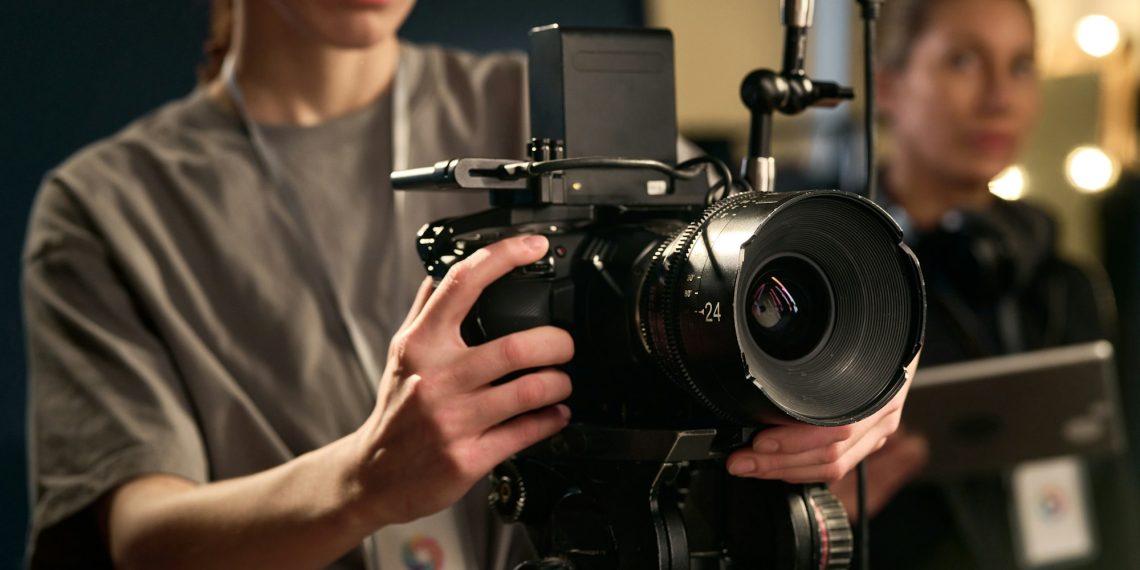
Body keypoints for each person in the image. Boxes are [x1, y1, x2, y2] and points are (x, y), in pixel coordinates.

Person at [23, 0, 914, 567]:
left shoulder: (549, 113)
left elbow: (740, 292)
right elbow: (138, 542)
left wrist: (849, 382)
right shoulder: (110, 204)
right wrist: (363, 484)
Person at [829, 0, 1137, 567]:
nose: (1000, 98)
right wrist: (820, 521)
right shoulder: (829, 284)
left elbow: (1112, 498)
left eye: (1021, 66)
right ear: (890, 85)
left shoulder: (1066, 286)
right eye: (965, 61)